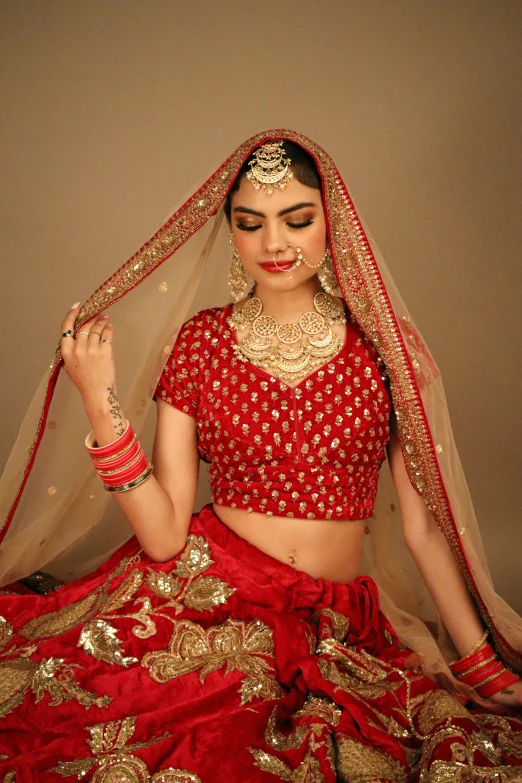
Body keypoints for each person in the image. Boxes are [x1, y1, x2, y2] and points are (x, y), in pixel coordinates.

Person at [0, 133, 521, 781]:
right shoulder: (201, 343)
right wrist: (99, 400)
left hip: (334, 619)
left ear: (335, 223)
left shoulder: (384, 349)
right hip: (210, 595)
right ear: (232, 235)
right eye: (250, 224)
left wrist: (476, 657)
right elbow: (163, 536)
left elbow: (421, 528)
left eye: (298, 220)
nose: (274, 243)